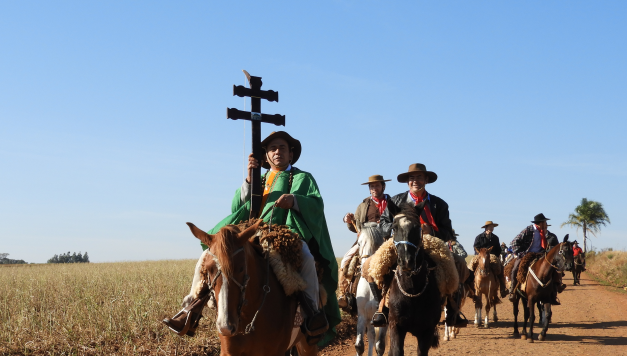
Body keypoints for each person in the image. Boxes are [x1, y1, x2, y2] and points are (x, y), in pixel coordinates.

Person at [162, 131, 340, 343]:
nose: (277, 152)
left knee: (307, 258)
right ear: (266, 156)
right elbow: (237, 207)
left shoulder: (303, 178)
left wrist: (294, 200)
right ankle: (191, 309)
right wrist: (248, 178)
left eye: (282, 147)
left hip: (285, 232)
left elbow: (316, 205)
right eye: (272, 149)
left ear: (291, 154)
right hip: (251, 230)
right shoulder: (259, 178)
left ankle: (313, 314)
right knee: (209, 256)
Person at [371, 162, 455, 326]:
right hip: (402, 240)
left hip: (431, 242)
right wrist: (397, 230)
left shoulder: (440, 204)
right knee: (372, 265)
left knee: (457, 263)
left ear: (426, 180)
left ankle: (452, 307)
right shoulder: (395, 200)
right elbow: (383, 225)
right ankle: (381, 307)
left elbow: (447, 231)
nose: (415, 181)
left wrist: (431, 231)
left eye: (419, 177)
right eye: (411, 178)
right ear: (407, 181)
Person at [337, 175, 396, 310]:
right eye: (372, 186)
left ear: (383, 187)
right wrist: (348, 220)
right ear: (369, 189)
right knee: (346, 260)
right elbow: (355, 227)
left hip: (387, 241)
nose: (374, 188)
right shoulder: (363, 205)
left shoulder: (393, 203)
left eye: (377, 185)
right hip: (366, 242)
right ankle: (343, 295)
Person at [508, 213, 561, 304]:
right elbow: (514, 242)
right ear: (539, 223)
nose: (545, 224)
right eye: (544, 222)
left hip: (541, 254)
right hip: (527, 255)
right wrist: (521, 254)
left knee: (553, 268)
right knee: (515, 268)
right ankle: (513, 290)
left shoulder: (544, 232)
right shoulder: (529, 230)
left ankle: (554, 291)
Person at [473, 221, 507, 297]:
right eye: (490, 227)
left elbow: (498, 249)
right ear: (486, 228)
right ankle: (470, 287)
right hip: (480, 255)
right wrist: (480, 254)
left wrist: (496, 256)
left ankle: (502, 289)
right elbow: (475, 247)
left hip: (492, 256)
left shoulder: (495, 238)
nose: (492, 228)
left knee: (500, 269)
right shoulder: (479, 237)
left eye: (493, 227)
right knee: (471, 267)